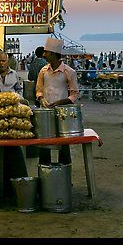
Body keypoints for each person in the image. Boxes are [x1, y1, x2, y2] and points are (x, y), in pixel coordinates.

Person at [0, 51, 28, 200]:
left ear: (7, 62)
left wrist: (18, 99)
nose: (1, 63)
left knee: (12, 146)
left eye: (3, 61)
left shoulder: (14, 74)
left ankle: (12, 181)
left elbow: (19, 90)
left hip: (11, 116)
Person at [36, 37, 80, 165]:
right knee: (44, 144)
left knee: (63, 145)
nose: (44, 55)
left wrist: (60, 102)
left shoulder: (69, 72)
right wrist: (41, 98)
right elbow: (39, 90)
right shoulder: (43, 71)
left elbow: (74, 94)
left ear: (55, 55)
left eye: (47, 52)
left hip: (63, 114)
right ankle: (45, 175)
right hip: (45, 112)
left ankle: (64, 175)